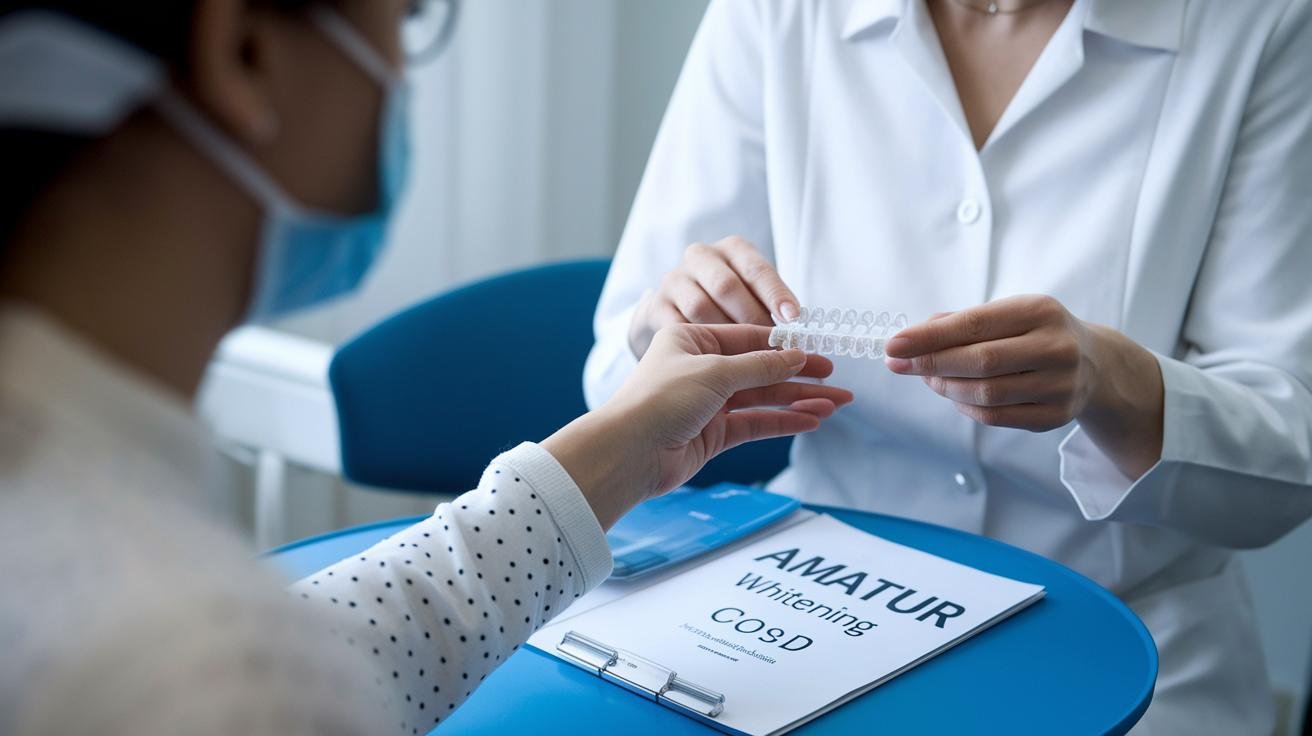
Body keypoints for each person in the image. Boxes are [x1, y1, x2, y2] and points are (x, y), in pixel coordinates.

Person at [0, 1, 855, 734]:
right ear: (242, 49)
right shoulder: (200, 664)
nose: (401, 75)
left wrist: (620, 450)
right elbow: (239, 674)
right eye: (408, 15)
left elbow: (321, 650)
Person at [585, 0, 1312, 733]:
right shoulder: (774, 14)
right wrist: (665, 335)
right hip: (807, 601)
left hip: (1127, 636)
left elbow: (1288, 456)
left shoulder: (1262, 24)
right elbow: (619, 376)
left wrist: (1115, 383)